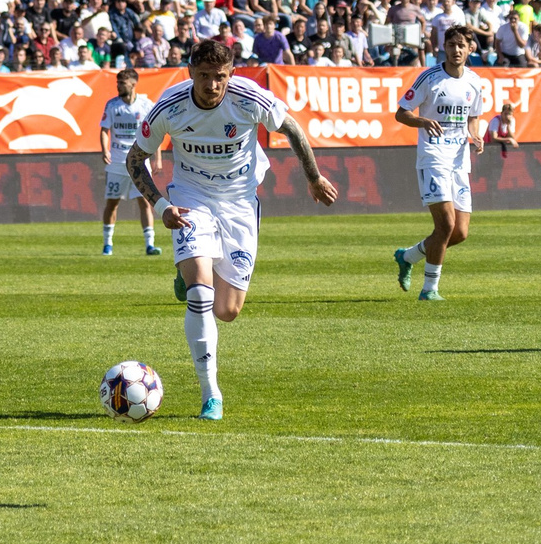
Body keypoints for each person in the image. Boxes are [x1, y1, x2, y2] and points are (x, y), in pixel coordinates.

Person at [129, 36, 339, 420]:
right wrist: (161, 206)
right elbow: (134, 159)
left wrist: (313, 177)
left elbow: (291, 128)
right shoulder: (169, 107)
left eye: (220, 77)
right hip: (191, 197)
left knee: (227, 310)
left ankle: (189, 270)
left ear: (231, 74)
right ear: (191, 72)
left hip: (240, 202)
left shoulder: (248, 97)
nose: (212, 85)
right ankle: (211, 394)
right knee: (201, 295)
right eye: (204, 76)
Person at [390, 25, 494, 301]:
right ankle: (429, 289)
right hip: (433, 158)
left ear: (471, 48)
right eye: (451, 45)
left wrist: (476, 136)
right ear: (443, 47)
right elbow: (401, 113)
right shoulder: (430, 78)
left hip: (459, 162)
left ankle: (408, 256)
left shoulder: (473, 81)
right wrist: (423, 121)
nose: (456, 50)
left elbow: (473, 117)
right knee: (446, 225)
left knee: (459, 232)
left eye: (462, 45)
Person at [97, 66, 158, 257]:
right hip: (117, 162)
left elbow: (153, 132)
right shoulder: (112, 105)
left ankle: (150, 244)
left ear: (133, 84)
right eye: (117, 82)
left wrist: (157, 158)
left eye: (122, 83)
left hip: (139, 161)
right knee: (112, 202)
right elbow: (104, 130)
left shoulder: (146, 105)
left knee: (145, 202)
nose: (118, 86)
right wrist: (104, 149)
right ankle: (108, 244)